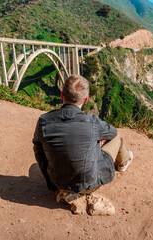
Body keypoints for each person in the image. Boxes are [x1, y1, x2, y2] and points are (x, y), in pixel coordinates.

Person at [32, 74, 133, 204]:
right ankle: (124, 162)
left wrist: (50, 182)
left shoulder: (43, 121)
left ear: (62, 95)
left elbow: (38, 151)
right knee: (117, 138)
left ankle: (63, 189)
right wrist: (98, 140)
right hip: (88, 185)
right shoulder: (92, 121)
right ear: (85, 100)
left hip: (57, 182)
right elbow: (112, 132)